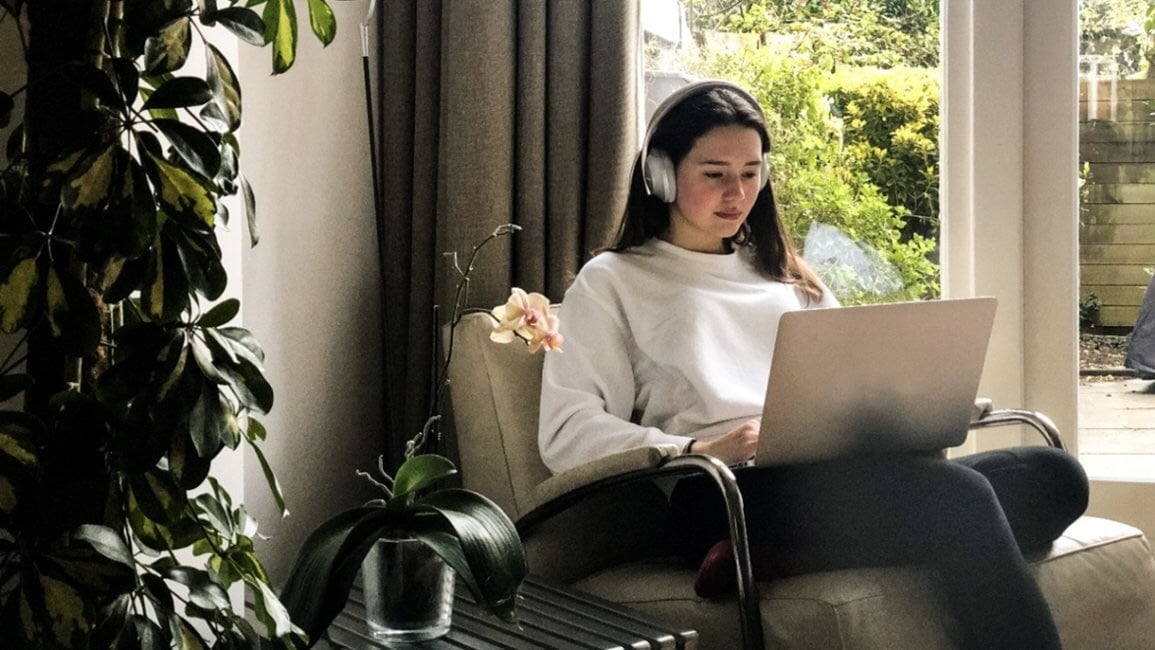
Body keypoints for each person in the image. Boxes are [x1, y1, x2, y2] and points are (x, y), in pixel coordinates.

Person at [537, 80, 1089, 649]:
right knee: (959, 498)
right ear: (661, 175)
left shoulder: (782, 274)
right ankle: (765, 546)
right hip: (719, 491)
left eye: (751, 172)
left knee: (1055, 477)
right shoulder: (613, 282)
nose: (738, 192)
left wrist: (916, 403)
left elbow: (849, 374)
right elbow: (566, 431)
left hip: (828, 475)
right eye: (715, 173)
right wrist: (696, 450)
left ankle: (784, 556)